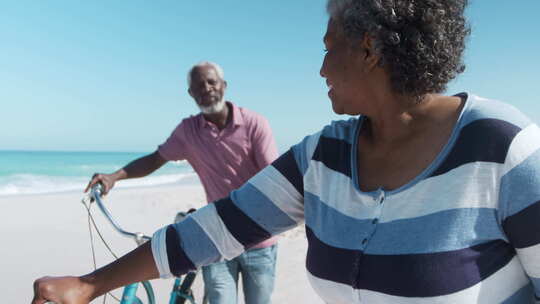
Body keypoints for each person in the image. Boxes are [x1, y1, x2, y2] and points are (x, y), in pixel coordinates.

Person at [32, 0, 540, 303]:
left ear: (369, 49)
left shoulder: (503, 146)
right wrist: (87, 284)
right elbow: (219, 227)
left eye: (327, 47)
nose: (320, 69)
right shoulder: (322, 155)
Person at [83, 61, 280, 304]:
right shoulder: (188, 131)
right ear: (191, 94)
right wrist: (114, 177)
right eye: (198, 85)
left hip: (259, 239)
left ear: (224, 86)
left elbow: (274, 177)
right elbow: (155, 159)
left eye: (211, 82)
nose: (206, 88)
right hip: (218, 238)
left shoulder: (254, 123)